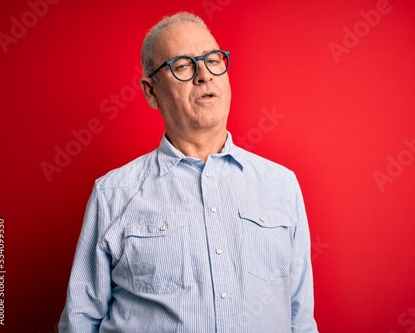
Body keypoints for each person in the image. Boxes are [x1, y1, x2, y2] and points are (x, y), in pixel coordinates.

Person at [59, 11, 318, 333]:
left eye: (213, 60)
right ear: (151, 92)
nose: (204, 75)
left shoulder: (281, 185)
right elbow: (81, 321)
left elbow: (300, 319)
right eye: (183, 66)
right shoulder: (113, 194)